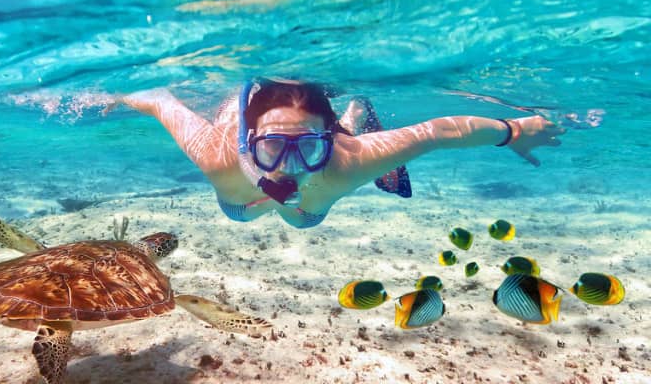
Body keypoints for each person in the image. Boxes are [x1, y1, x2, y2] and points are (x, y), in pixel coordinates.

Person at [115, 79, 564, 229]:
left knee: (299, 218)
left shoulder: (347, 162)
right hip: (243, 196)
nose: (290, 166)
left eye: (309, 147)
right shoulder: (217, 155)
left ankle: (353, 115)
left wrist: (515, 130)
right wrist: (116, 95)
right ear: (249, 141)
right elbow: (159, 99)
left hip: (314, 194)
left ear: (328, 141)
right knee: (245, 212)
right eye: (272, 146)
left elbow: (437, 132)